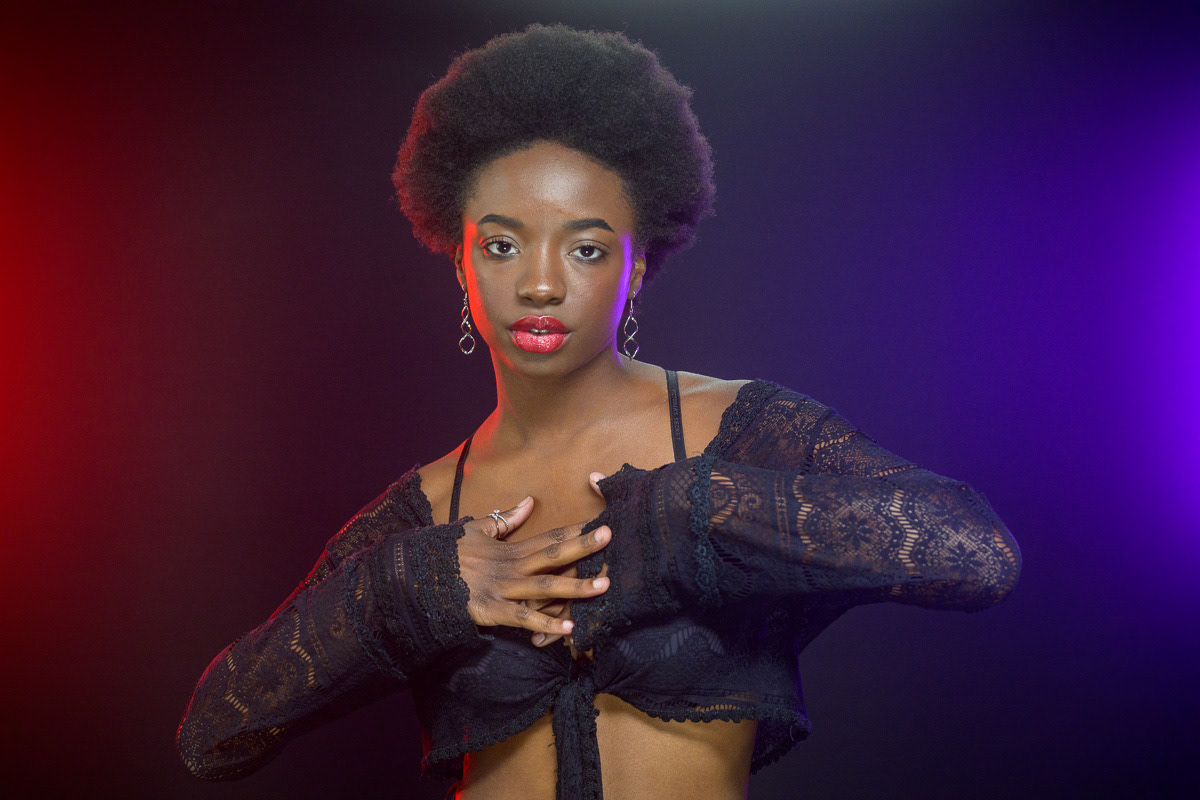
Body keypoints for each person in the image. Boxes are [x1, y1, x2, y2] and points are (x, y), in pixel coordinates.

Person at [176, 24, 1021, 800]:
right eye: (501, 245)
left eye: (584, 248)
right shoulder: (428, 510)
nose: (540, 283)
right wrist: (417, 586)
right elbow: (213, 735)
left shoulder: (741, 431)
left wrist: (691, 515)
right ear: (460, 262)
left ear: (636, 265)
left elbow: (977, 555)